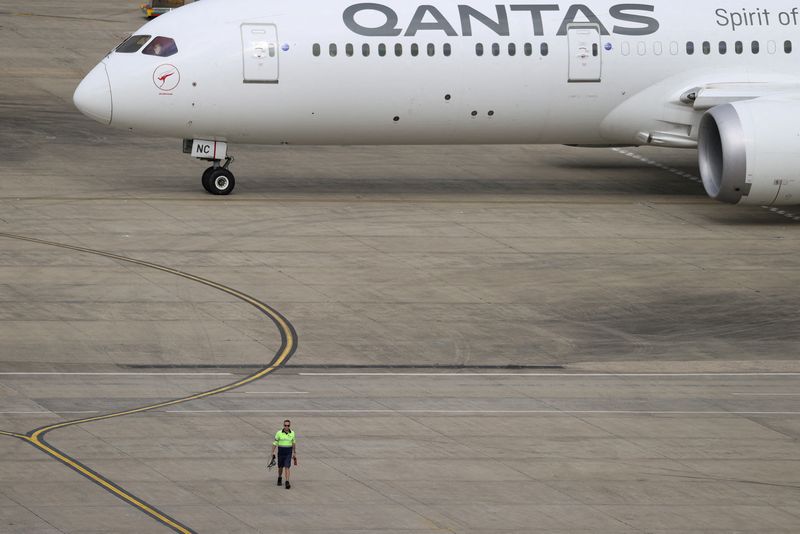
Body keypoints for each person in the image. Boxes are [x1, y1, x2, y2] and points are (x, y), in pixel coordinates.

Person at [271, 419, 296, 489]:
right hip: (281, 451)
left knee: (287, 466)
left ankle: (287, 482)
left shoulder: (292, 433)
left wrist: (294, 453)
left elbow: (293, 443)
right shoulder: (279, 433)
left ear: (289, 426)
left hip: (288, 452)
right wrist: (272, 452)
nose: (286, 427)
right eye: (285, 425)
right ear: (283, 425)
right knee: (280, 467)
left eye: (288, 425)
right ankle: (279, 477)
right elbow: (275, 443)